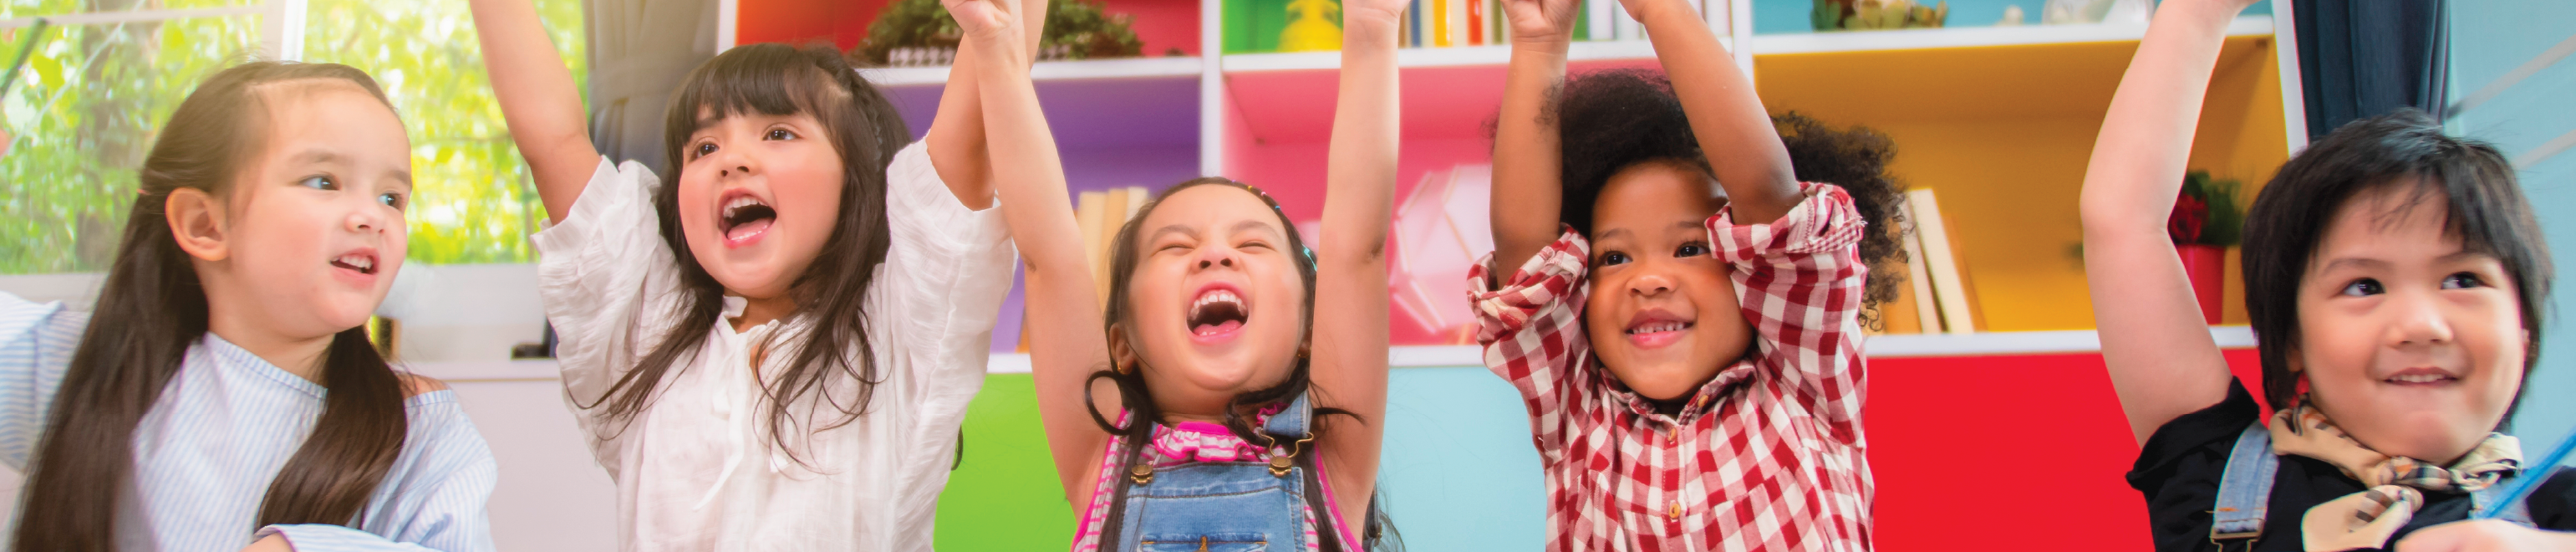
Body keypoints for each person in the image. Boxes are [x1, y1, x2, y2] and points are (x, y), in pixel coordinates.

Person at [468, 0, 1041, 546]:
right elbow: (552, 139)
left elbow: (974, 132)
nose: (732, 160)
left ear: (855, 176)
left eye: (778, 133)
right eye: (704, 147)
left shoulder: (899, 336)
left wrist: (994, 31)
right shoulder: (647, 336)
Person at [0, 63, 496, 552]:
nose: (373, 215)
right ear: (204, 224)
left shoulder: (422, 430)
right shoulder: (91, 368)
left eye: (392, 196)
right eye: (323, 182)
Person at [2081, 1, 2576, 550]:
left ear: (2524, 328)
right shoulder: (2218, 483)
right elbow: (2123, 223)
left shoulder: (2557, 516)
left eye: (2462, 280)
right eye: (2364, 286)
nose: (2421, 324)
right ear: (2293, 339)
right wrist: (2196, 15)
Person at [1469, 0, 1908, 549]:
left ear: (1749, 268)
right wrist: (1539, 44)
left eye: (1689, 247)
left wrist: (1660, 9)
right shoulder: (1577, 410)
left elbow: (1770, 198)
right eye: (1615, 257)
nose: (1648, 279)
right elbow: (1524, 257)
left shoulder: (1802, 383)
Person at [991, 0, 1403, 547]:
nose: (1214, 254)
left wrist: (1373, 28)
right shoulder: (1101, 461)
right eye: (1175, 246)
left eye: (1252, 242)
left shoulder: (1333, 463)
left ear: (1311, 333)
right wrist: (995, 45)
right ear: (1122, 345)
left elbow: (1357, 251)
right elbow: (1050, 258)